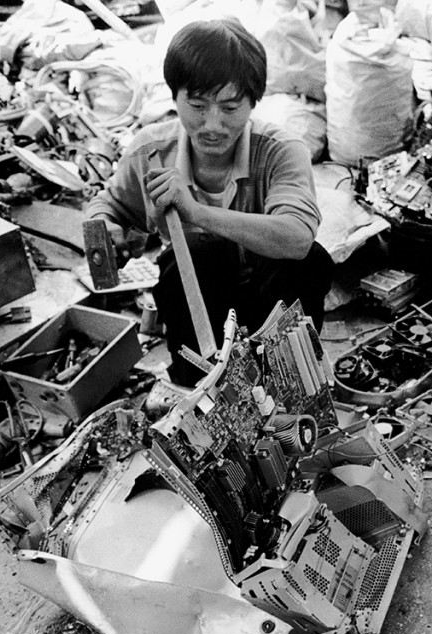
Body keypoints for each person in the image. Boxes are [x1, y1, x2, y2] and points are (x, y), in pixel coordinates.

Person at [84, 18, 333, 387]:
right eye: (197, 105)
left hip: (268, 301)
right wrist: (107, 229)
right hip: (202, 309)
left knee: (308, 263)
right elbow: (110, 206)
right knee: (190, 261)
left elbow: (297, 237)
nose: (212, 125)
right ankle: (196, 390)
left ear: (253, 102)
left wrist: (196, 212)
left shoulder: (282, 151)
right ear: (174, 96)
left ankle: (291, 386)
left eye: (230, 108)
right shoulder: (150, 151)